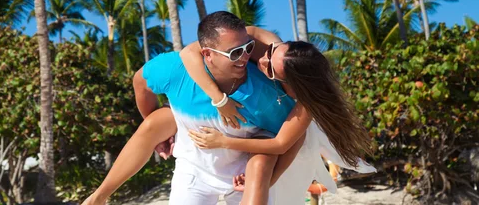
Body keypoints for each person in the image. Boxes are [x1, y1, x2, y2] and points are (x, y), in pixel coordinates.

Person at [82, 11, 374, 205]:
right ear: (207, 53)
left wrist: (266, 179)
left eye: (250, 49)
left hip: (244, 173)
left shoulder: (285, 101)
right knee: (157, 120)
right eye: (238, 51)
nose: (253, 57)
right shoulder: (181, 67)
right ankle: (99, 197)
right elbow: (142, 81)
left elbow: (286, 144)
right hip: (195, 169)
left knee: (261, 161)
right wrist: (217, 101)